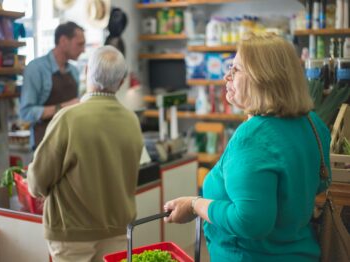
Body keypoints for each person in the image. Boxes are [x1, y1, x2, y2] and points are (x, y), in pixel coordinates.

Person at [163, 33, 332, 262]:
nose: (226, 76)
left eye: (236, 70)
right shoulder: (313, 123)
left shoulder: (251, 138)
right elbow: (322, 181)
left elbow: (250, 223)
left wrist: (195, 204)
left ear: (263, 78)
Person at [27, 46, 144, 262]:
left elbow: (36, 183)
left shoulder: (68, 119)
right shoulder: (131, 120)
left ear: (87, 70)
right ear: (120, 81)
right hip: (118, 230)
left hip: (72, 235)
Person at [20, 21, 85, 149]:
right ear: (63, 41)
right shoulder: (36, 68)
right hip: (45, 144)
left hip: (71, 143)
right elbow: (26, 113)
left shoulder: (74, 71)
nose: (83, 50)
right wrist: (64, 107)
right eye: (80, 44)